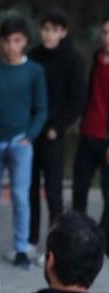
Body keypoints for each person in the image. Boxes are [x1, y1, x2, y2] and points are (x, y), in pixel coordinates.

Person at [0, 18, 48, 268]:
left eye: (16, 40)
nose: (11, 46)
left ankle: (21, 248)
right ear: (1, 42)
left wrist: (29, 136)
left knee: (20, 196)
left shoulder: (34, 71)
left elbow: (41, 109)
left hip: (20, 142)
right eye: (7, 40)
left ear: (25, 41)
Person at [29, 13, 86, 251]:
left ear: (63, 32)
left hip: (54, 134)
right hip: (31, 132)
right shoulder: (33, 56)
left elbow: (77, 101)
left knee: (53, 192)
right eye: (45, 29)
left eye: (53, 30)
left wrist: (57, 128)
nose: (48, 34)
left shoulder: (73, 59)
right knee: (30, 189)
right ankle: (30, 240)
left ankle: (54, 246)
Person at [73, 18, 109, 236]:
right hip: (88, 133)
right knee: (80, 189)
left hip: (106, 138)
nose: (106, 37)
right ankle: (78, 235)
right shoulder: (96, 60)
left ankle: (103, 239)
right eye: (104, 32)